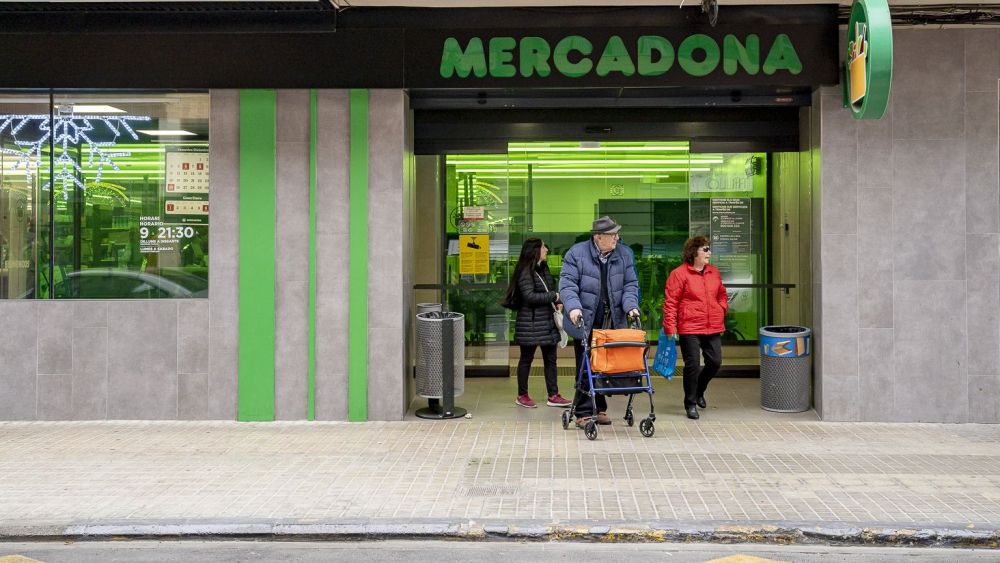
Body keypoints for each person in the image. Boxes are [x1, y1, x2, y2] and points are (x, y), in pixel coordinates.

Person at [560, 216, 640, 428]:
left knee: (605, 364)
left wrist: (631, 306)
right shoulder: (576, 254)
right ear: (598, 237)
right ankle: (584, 411)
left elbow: (630, 284)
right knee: (586, 363)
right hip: (585, 317)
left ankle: (600, 407)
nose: (616, 238)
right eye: (612, 235)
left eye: (616, 234)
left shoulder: (624, 254)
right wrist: (573, 307)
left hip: (613, 316)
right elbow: (567, 284)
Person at [662, 236, 728, 420]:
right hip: (689, 326)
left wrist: (721, 308)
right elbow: (671, 302)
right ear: (694, 252)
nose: (709, 253)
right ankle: (690, 403)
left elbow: (722, 293)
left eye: (709, 249)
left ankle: (699, 391)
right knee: (693, 365)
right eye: (705, 249)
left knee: (715, 362)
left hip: (712, 325)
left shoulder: (713, 272)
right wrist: (670, 326)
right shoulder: (679, 274)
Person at [503, 238, 572, 409]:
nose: (546, 249)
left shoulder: (543, 268)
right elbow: (530, 296)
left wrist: (557, 302)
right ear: (534, 250)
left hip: (547, 321)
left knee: (551, 359)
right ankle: (522, 395)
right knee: (526, 359)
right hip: (530, 323)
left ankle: (553, 395)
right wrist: (553, 296)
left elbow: (548, 291)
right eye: (543, 247)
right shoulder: (525, 271)